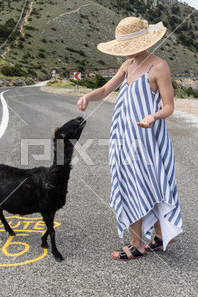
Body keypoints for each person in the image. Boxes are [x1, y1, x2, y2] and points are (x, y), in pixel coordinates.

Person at [77, 17, 183, 261]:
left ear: (144, 41)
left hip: (147, 139)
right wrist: (87, 96)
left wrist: (152, 116)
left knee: (146, 184)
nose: (129, 52)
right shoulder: (127, 65)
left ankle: (137, 245)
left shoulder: (158, 66)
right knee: (130, 184)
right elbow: (105, 90)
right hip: (122, 138)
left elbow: (169, 106)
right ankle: (156, 237)